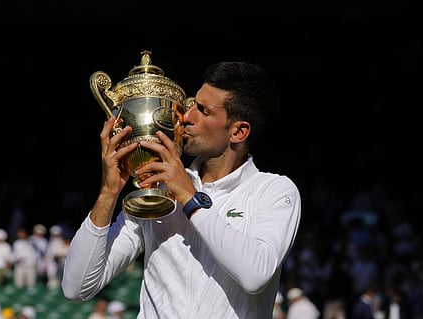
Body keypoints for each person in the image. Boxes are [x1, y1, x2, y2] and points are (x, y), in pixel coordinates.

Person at [62, 61, 302, 318]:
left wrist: (189, 198)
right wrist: (109, 192)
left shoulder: (274, 191)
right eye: (192, 104)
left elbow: (255, 274)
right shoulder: (157, 188)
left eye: (203, 111)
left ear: (239, 132)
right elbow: (76, 286)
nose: (187, 117)